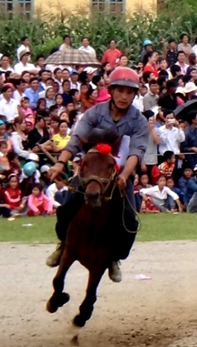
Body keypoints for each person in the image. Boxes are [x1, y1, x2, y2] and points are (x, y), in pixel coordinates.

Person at [45, 67, 147, 284]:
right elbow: (75, 140)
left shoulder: (138, 121)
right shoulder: (94, 113)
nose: (124, 96)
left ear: (134, 95)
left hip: (120, 175)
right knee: (66, 207)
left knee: (129, 219)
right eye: (120, 91)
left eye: (129, 92)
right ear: (111, 90)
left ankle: (114, 258)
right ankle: (63, 243)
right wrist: (60, 163)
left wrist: (124, 175)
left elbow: (136, 152)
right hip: (91, 173)